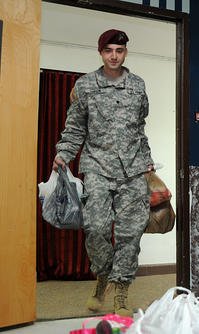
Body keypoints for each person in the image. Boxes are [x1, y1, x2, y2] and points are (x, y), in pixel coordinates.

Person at [52, 29, 154, 317]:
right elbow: (75, 128)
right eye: (108, 50)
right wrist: (64, 153)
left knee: (130, 233)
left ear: (125, 53)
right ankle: (103, 275)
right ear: (100, 52)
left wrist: (146, 160)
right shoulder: (85, 86)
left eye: (119, 51)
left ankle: (120, 290)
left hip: (133, 168)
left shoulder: (137, 85)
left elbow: (139, 127)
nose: (114, 56)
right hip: (97, 164)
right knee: (96, 227)